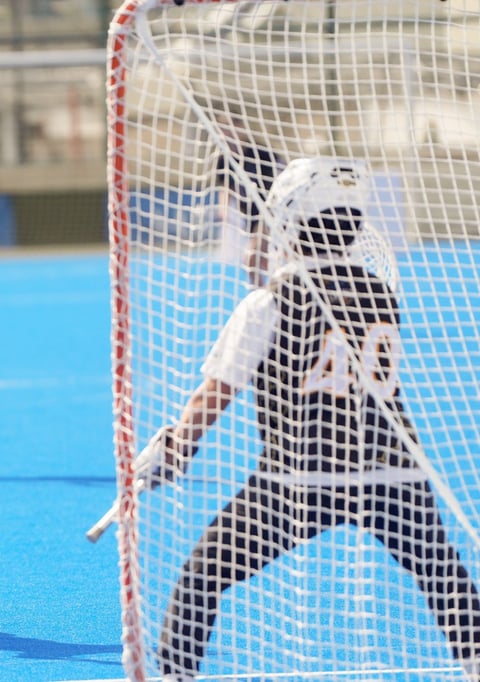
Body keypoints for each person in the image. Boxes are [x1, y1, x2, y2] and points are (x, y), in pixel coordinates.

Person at [140, 157, 480, 680]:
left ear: (289, 224)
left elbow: (218, 391)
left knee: (202, 576)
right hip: (392, 470)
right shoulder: (380, 292)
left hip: (300, 477)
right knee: (443, 576)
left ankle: (173, 674)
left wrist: (176, 447)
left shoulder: (267, 302)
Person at [213, 111, 285, 288]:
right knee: (260, 260)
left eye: (231, 129)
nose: (228, 135)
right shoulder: (225, 160)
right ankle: (267, 291)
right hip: (250, 218)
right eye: (223, 131)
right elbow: (226, 187)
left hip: (269, 214)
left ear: (241, 128)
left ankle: (262, 292)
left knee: (251, 256)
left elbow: (278, 181)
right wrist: (223, 209)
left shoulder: (261, 155)